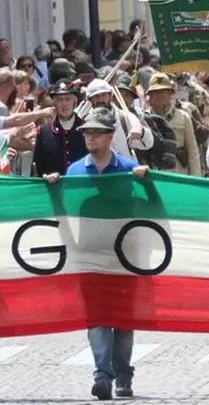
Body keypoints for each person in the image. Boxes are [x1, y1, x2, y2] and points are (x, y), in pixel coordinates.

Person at [43, 107, 150, 400]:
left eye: (96, 132)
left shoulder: (129, 169)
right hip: (89, 255)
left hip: (125, 256)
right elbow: (62, 209)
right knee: (97, 318)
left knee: (124, 321)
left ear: (110, 137)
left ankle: (124, 375)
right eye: (87, 132)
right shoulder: (76, 171)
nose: (90, 137)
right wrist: (54, 187)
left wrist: (146, 181)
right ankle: (102, 374)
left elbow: (151, 206)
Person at [33, 79, 88, 177]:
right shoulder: (43, 131)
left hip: (82, 187)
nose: (64, 104)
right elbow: (38, 166)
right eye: (60, 99)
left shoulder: (86, 129)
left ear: (74, 102)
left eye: (68, 99)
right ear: (54, 103)